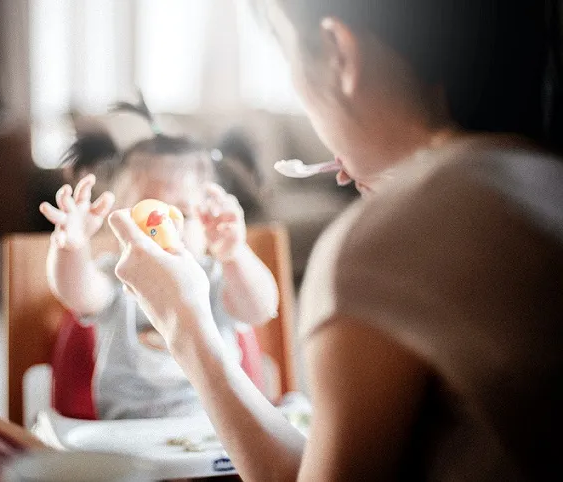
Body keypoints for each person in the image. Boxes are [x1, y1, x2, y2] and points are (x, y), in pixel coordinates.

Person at [105, 0, 563, 480]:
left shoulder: (378, 250)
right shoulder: (541, 181)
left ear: (337, 52)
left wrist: (185, 323)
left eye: (286, 56)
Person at [38, 98, 279, 420]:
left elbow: (260, 308)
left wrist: (235, 254)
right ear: (116, 218)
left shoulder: (217, 277)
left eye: (181, 214)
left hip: (218, 433)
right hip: (130, 438)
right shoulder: (117, 275)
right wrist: (72, 247)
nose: (164, 228)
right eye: (147, 213)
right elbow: (76, 291)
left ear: (206, 220)